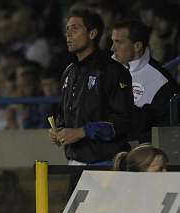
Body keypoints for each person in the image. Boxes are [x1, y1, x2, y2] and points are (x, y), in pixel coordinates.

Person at [49, 9, 133, 166]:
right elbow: (63, 113)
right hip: (74, 162)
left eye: (75, 28)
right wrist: (59, 130)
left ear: (92, 34)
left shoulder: (112, 70)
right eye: (67, 29)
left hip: (106, 162)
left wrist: (82, 132)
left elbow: (123, 122)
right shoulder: (69, 71)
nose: (68, 34)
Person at [111, 19, 178, 143]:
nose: (112, 48)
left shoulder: (161, 82)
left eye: (118, 42)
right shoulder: (106, 68)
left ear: (137, 46)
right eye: (112, 41)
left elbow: (166, 133)